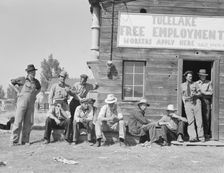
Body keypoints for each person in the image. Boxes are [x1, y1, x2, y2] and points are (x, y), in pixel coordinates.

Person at [10, 64, 41, 146]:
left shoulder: (36, 82)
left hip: (31, 104)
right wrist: (18, 92)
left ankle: (25, 140)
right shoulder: (22, 79)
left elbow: (39, 88)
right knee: (18, 121)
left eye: (34, 71)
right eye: (31, 72)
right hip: (21, 103)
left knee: (28, 123)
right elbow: (11, 82)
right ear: (28, 72)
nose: (33, 73)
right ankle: (14, 141)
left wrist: (35, 94)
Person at [181, 71, 205, 142]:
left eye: (191, 76)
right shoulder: (182, 85)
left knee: (199, 120)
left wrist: (196, 95)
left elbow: (200, 93)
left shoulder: (195, 84)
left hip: (196, 102)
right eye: (189, 76)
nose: (191, 78)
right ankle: (192, 137)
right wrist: (184, 103)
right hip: (188, 103)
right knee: (190, 121)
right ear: (186, 77)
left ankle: (201, 137)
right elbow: (182, 95)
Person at [196, 69, 213, 140]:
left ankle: (206, 133)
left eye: (204, 76)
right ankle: (199, 134)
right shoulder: (196, 83)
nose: (203, 77)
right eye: (202, 76)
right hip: (198, 101)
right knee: (198, 118)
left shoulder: (209, 82)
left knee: (206, 118)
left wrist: (203, 92)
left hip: (206, 101)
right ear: (199, 76)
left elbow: (211, 93)